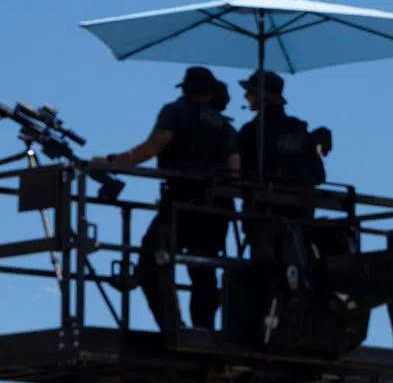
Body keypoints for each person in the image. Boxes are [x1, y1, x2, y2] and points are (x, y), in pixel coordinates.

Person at [94, 66, 239, 332]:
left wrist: (111, 162)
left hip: (182, 202)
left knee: (151, 261)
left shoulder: (176, 111)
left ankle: (173, 327)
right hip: (218, 208)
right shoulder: (225, 126)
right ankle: (203, 330)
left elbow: (152, 147)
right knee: (204, 269)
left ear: (184, 89)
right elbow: (235, 169)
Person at [235, 70, 326, 261]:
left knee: (265, 277)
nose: (246, 96)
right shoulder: (298, 129)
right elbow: (318, 175)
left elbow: (237, 171)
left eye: (250, 92)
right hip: (301, 217)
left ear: (262, 96)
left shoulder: (251, 131)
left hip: (264, 218)